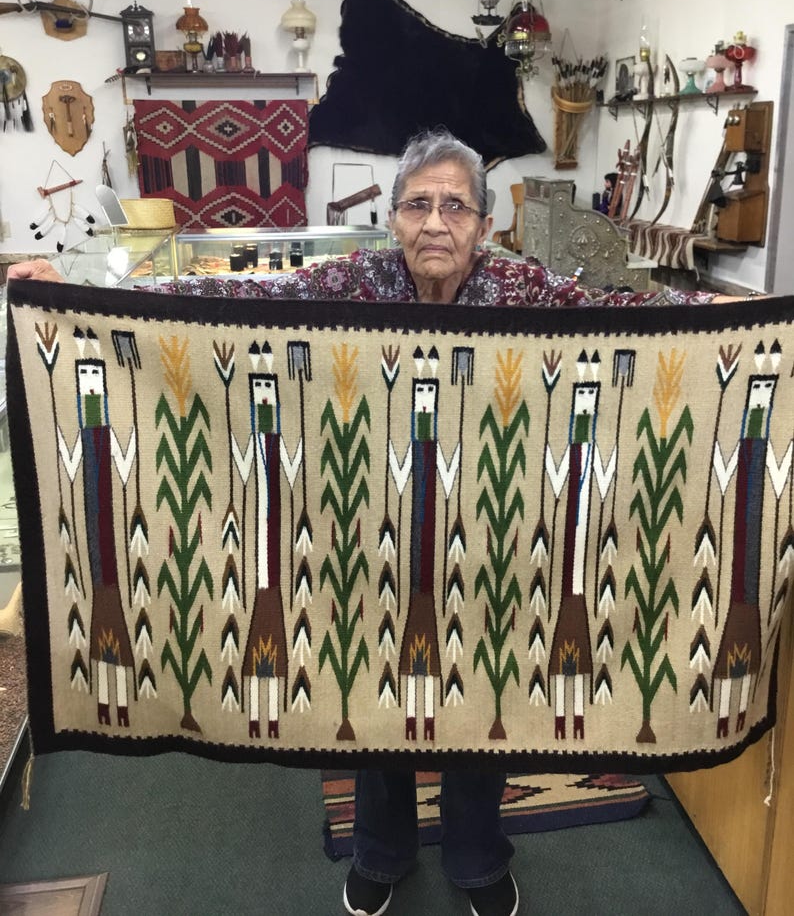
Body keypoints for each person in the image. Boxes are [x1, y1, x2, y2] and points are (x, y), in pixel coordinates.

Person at [9, 128, 738, 916]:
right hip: (368, 529)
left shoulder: (520, 288)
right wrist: (76, 300)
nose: (435, 222)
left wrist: (738, 309)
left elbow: (626, 310)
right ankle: (381, 852)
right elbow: (233, 301)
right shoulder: (361, 277)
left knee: (484, 693)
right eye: (418, 204)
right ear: (391, 219)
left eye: (455, 205)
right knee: (373, 687)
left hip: (488, 533)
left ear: (483, 227)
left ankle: (477, 857)